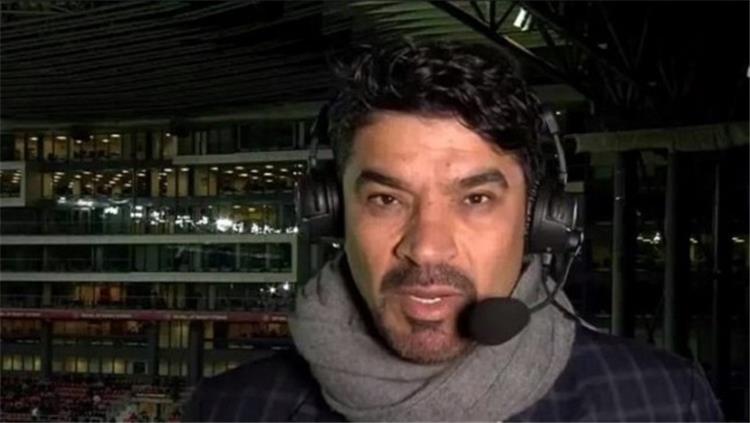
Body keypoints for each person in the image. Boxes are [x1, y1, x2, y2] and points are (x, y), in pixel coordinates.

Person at [183, 41, 722, 421]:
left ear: (541, 221)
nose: (426, 248)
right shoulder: (232, 410)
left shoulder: (660, 404)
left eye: (476, 199)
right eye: (386, 199)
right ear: (331, 213)